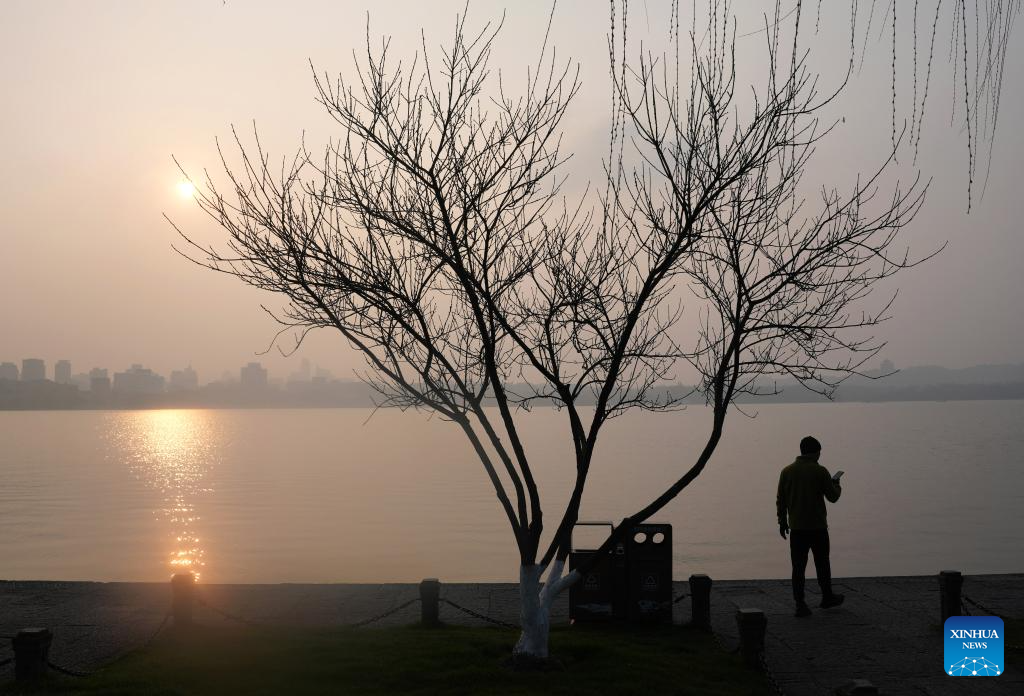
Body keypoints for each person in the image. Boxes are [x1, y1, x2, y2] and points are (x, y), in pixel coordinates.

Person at [776, 436, 844, 617]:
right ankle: (827, 597)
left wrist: (782, 522)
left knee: (798, 568)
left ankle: (800, 604)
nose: (820, 456)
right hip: (817, 527)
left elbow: (780, 500)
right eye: (819, 453)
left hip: (797, 528)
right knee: (822, 563)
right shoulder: (820, 471)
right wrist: (836, 485)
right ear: (815, 452)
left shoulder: (787, 472)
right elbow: (833, 497)